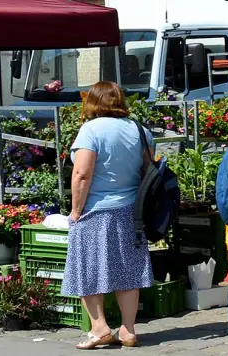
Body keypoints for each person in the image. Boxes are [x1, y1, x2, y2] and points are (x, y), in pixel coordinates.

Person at [63, 81, 152, 349]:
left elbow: (81, 174)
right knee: (128, 271)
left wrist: (75, 211)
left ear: (92, 102)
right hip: (130, 211)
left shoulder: (90, 130)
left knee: (87, 269)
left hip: (95, 210)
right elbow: (148, 171)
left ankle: (100, 327)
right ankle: (128, 330)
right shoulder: (140, 130)